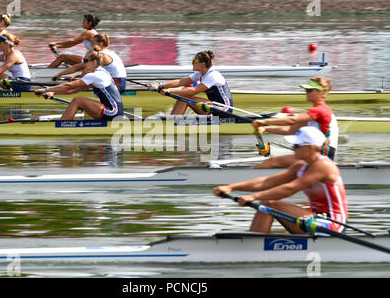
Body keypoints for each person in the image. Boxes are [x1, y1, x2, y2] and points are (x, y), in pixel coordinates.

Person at [213, 126, 348, 235]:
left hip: (332, 224)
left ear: (310, 147)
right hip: (315, 220)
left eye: (296, 145)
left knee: (269, 204)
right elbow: (267, 182)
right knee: (267, 203)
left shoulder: (323, 165)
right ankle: (255, 240)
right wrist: (231, 187)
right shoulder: (301, 166)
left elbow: (290, 189)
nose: (293, 148)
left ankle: (255, 245)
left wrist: (253, 197)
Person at [252, 76, 338, 168]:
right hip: (315, 151)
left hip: (322, 153)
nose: (306, 92)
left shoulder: (320, 110)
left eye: (309, 90)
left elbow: (292, 120)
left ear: (319, 91)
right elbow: (290, 130)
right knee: (275, 162)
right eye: (305, 90)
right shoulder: (314, 112)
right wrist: (265, 129)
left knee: (272, 162)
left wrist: (264, 121)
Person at [35, 48, 123, 121]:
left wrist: (46, 89)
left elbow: (69, 85)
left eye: (85, 61)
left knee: (78, 100)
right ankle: (66, 122)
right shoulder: (102, 72)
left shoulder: (94, 75)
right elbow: (73, 90)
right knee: (79, 101)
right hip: (115, 112)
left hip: (112, 112)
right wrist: (53, 92)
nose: (83, 64)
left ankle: (62, 126)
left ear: (94, 62)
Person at [148, 50, 233, 117]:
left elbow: (193, 91)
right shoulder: (200, 73)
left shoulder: (213, 75)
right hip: (212, 106)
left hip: (223, 109)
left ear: (202, 64)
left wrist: (170, 90)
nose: (192, 63)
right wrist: (160, 85)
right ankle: (173, 119)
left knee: (184, 99)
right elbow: (180, 82)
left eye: (195, 61)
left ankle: (172, 122)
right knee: (184, 97)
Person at [51, 33, 127, 94]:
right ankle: (55, 92)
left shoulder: (102, 56)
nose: (90, 45)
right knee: (84, 82)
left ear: (100, 44)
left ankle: (52, 91)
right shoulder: (110, 52)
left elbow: (78, 67)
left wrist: (59, 74)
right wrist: (76, 75)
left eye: (93, 43)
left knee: (82, 82)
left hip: (116, 84)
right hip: (118, 82)